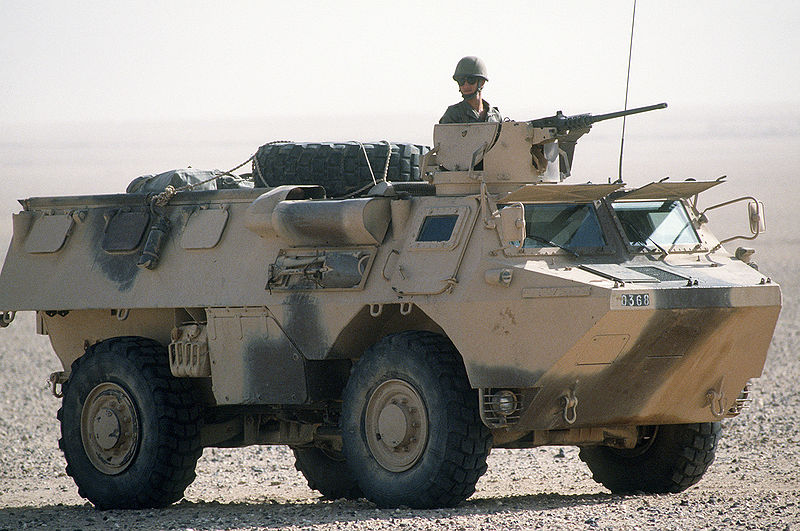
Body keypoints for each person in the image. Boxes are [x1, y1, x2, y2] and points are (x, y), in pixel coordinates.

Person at [439, 56, 502, 124]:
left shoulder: (495, 116)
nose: (466, 86)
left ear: (482, 82)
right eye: (461, 81)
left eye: (471, 80)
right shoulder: (453, 115)